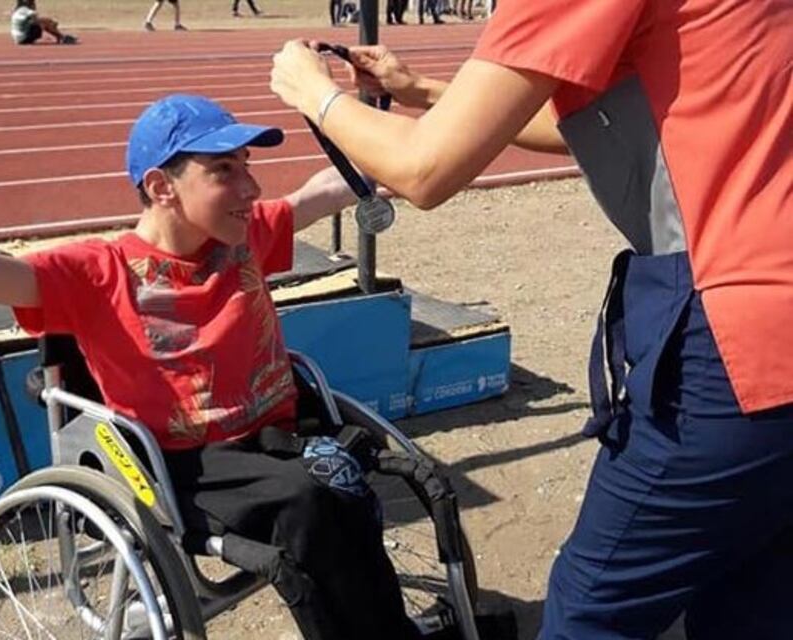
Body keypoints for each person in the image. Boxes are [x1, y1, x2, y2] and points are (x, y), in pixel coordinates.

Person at [0, 93, 437, 640]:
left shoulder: (243, 236)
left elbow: (326, 189)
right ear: (162, 186)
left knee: (361, 479)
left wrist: (422, 124)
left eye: (247, 168)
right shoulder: (95, 272)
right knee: (315, 504)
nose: (250, 189)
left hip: (283, 438)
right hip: (186, 468)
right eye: (225, 170)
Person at [270, 0, 793, 636]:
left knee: (592, 608)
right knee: (750, 585)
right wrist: (424, 90)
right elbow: (602, 114)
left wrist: (314, 92)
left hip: (740, 334)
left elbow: (424, 170)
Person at [10, 0, 77, 45]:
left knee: (42, 23)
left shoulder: (19, 10)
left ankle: (61, 37)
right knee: (43, 23)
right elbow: (39, 20)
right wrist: (51, 22)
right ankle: (62, 37)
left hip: (18, 38)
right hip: (23, 38)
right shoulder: (25, 10)